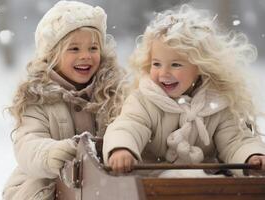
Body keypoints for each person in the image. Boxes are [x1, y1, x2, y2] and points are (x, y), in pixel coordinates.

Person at [103, 4, 265, 177]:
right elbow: (129, 126)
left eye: (176, 64)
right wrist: (122, 148)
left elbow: (235, 141)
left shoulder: (218, 104)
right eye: (156, 64)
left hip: (205, 185)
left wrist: (251, 156)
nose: (163, 73)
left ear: (200, 67)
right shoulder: (144, 100)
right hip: (152, 182)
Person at [2, 1, 127, 199]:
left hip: (101, 183)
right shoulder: (38, 97)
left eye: (93, 48)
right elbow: (27, 144)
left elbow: (132, 125)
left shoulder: (114, 92)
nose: (86, 56)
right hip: (49, 179)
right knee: (39, 188)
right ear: (52, 55)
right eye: (74, 49)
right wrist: (51, 152)